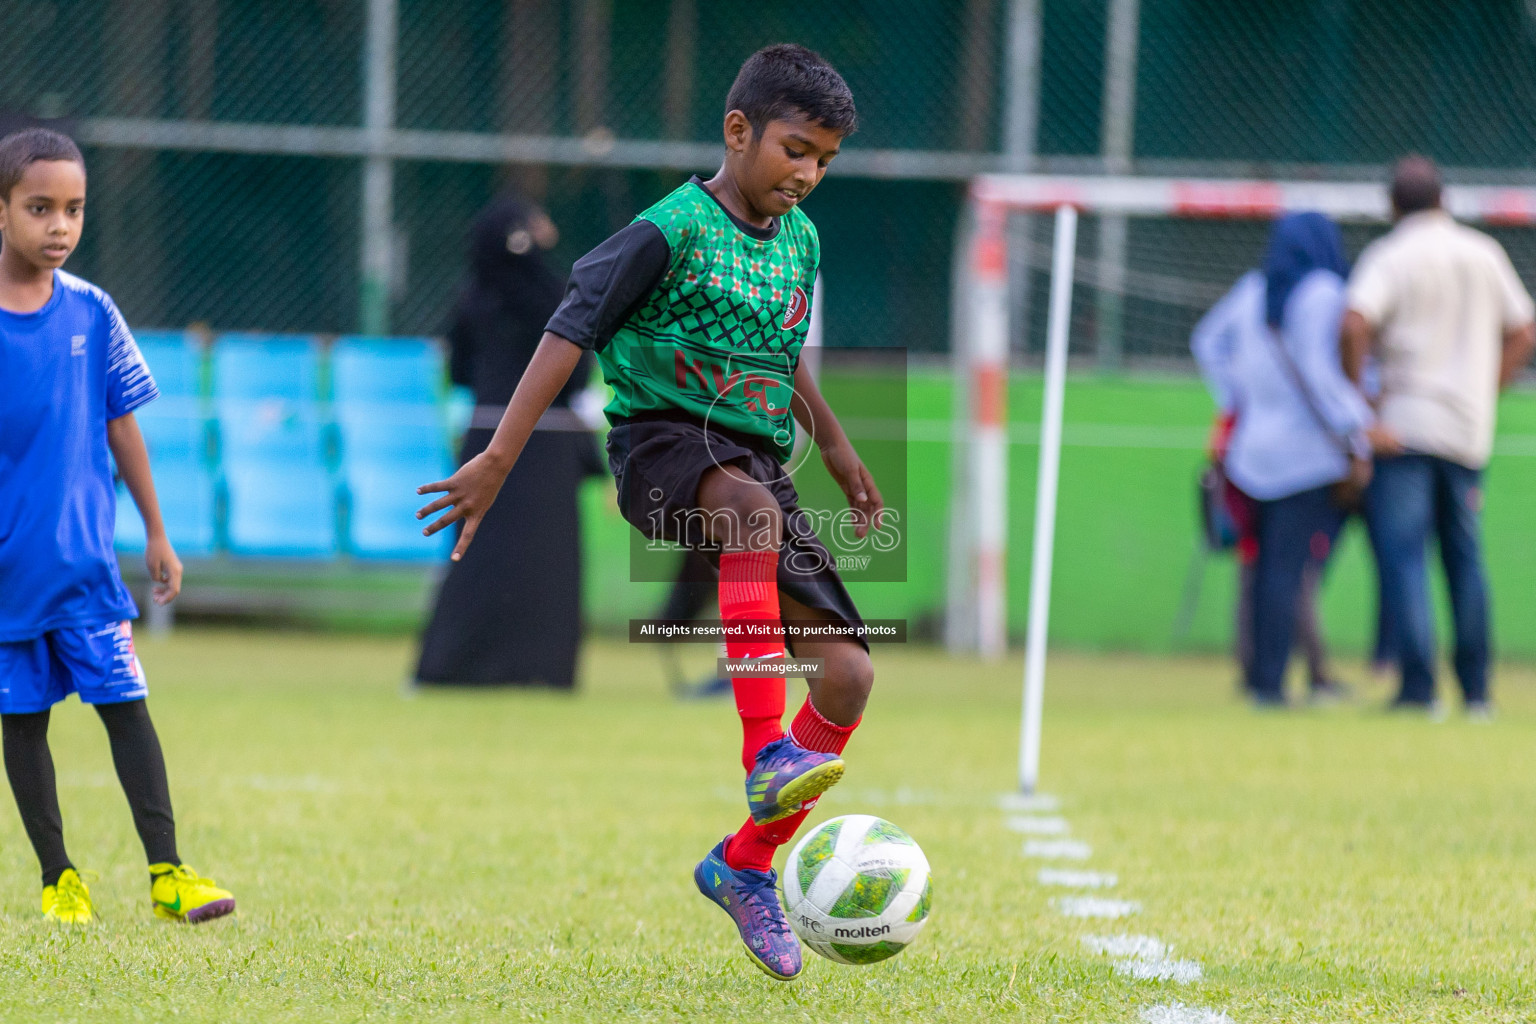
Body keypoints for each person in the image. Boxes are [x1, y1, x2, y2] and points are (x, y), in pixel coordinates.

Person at [416, 44, 878, 981]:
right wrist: (499, 457)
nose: (808, 174)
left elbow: (775, 347)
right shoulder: (667, 230)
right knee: (746, 514)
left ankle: (745, 864)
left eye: (825, 160)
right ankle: (765, 750)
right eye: (795, 149)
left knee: (850, 675)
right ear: (738, 130)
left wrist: (829, 437)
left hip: (750, 461)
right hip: (662, 448)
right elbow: (567, 328)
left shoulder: (802, 242)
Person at [0, 128, 234, 924]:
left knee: (126, 706)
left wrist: (157, 533)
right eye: (40, 208)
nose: (59, 226)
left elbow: (122, 424)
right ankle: (58, 878)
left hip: (84, 568)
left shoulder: (94, 311)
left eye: (74, 209)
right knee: (22, 722)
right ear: (1, 213)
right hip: (7, 573)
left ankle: (169, 874)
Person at [1342, 156, 1536, 716]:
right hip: (1467, 432)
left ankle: (1418, 689)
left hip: (1403, 430)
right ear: (1444, 198)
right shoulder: (1483, 252)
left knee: (1405, 559)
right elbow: (1523, 330)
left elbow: (1354, 322)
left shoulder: (1391, 255)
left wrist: (1360, 405)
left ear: (1393, 205)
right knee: (1465, 559)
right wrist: (1487, 388)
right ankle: (1476, 692)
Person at [414, 194, 597, 689]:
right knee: (546, 559)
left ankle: (458, 662)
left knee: (478, 554)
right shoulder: (558, 294)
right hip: (550, 447)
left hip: (485, 439)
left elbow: (458, 370)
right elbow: (577, 375)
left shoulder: (474, 295)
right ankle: (543, 667)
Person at [1192, 212, 1376, 705]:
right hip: (1306, 458)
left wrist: (1240, 399)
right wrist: (1359, 426)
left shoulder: (1251, 288)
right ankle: (1270, 684)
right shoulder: (1323, 290)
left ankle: (1260, 678)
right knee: (1287, 573)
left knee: (1262, 570)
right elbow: (1320, 372)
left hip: (1252, 454)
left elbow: (1207, 343)